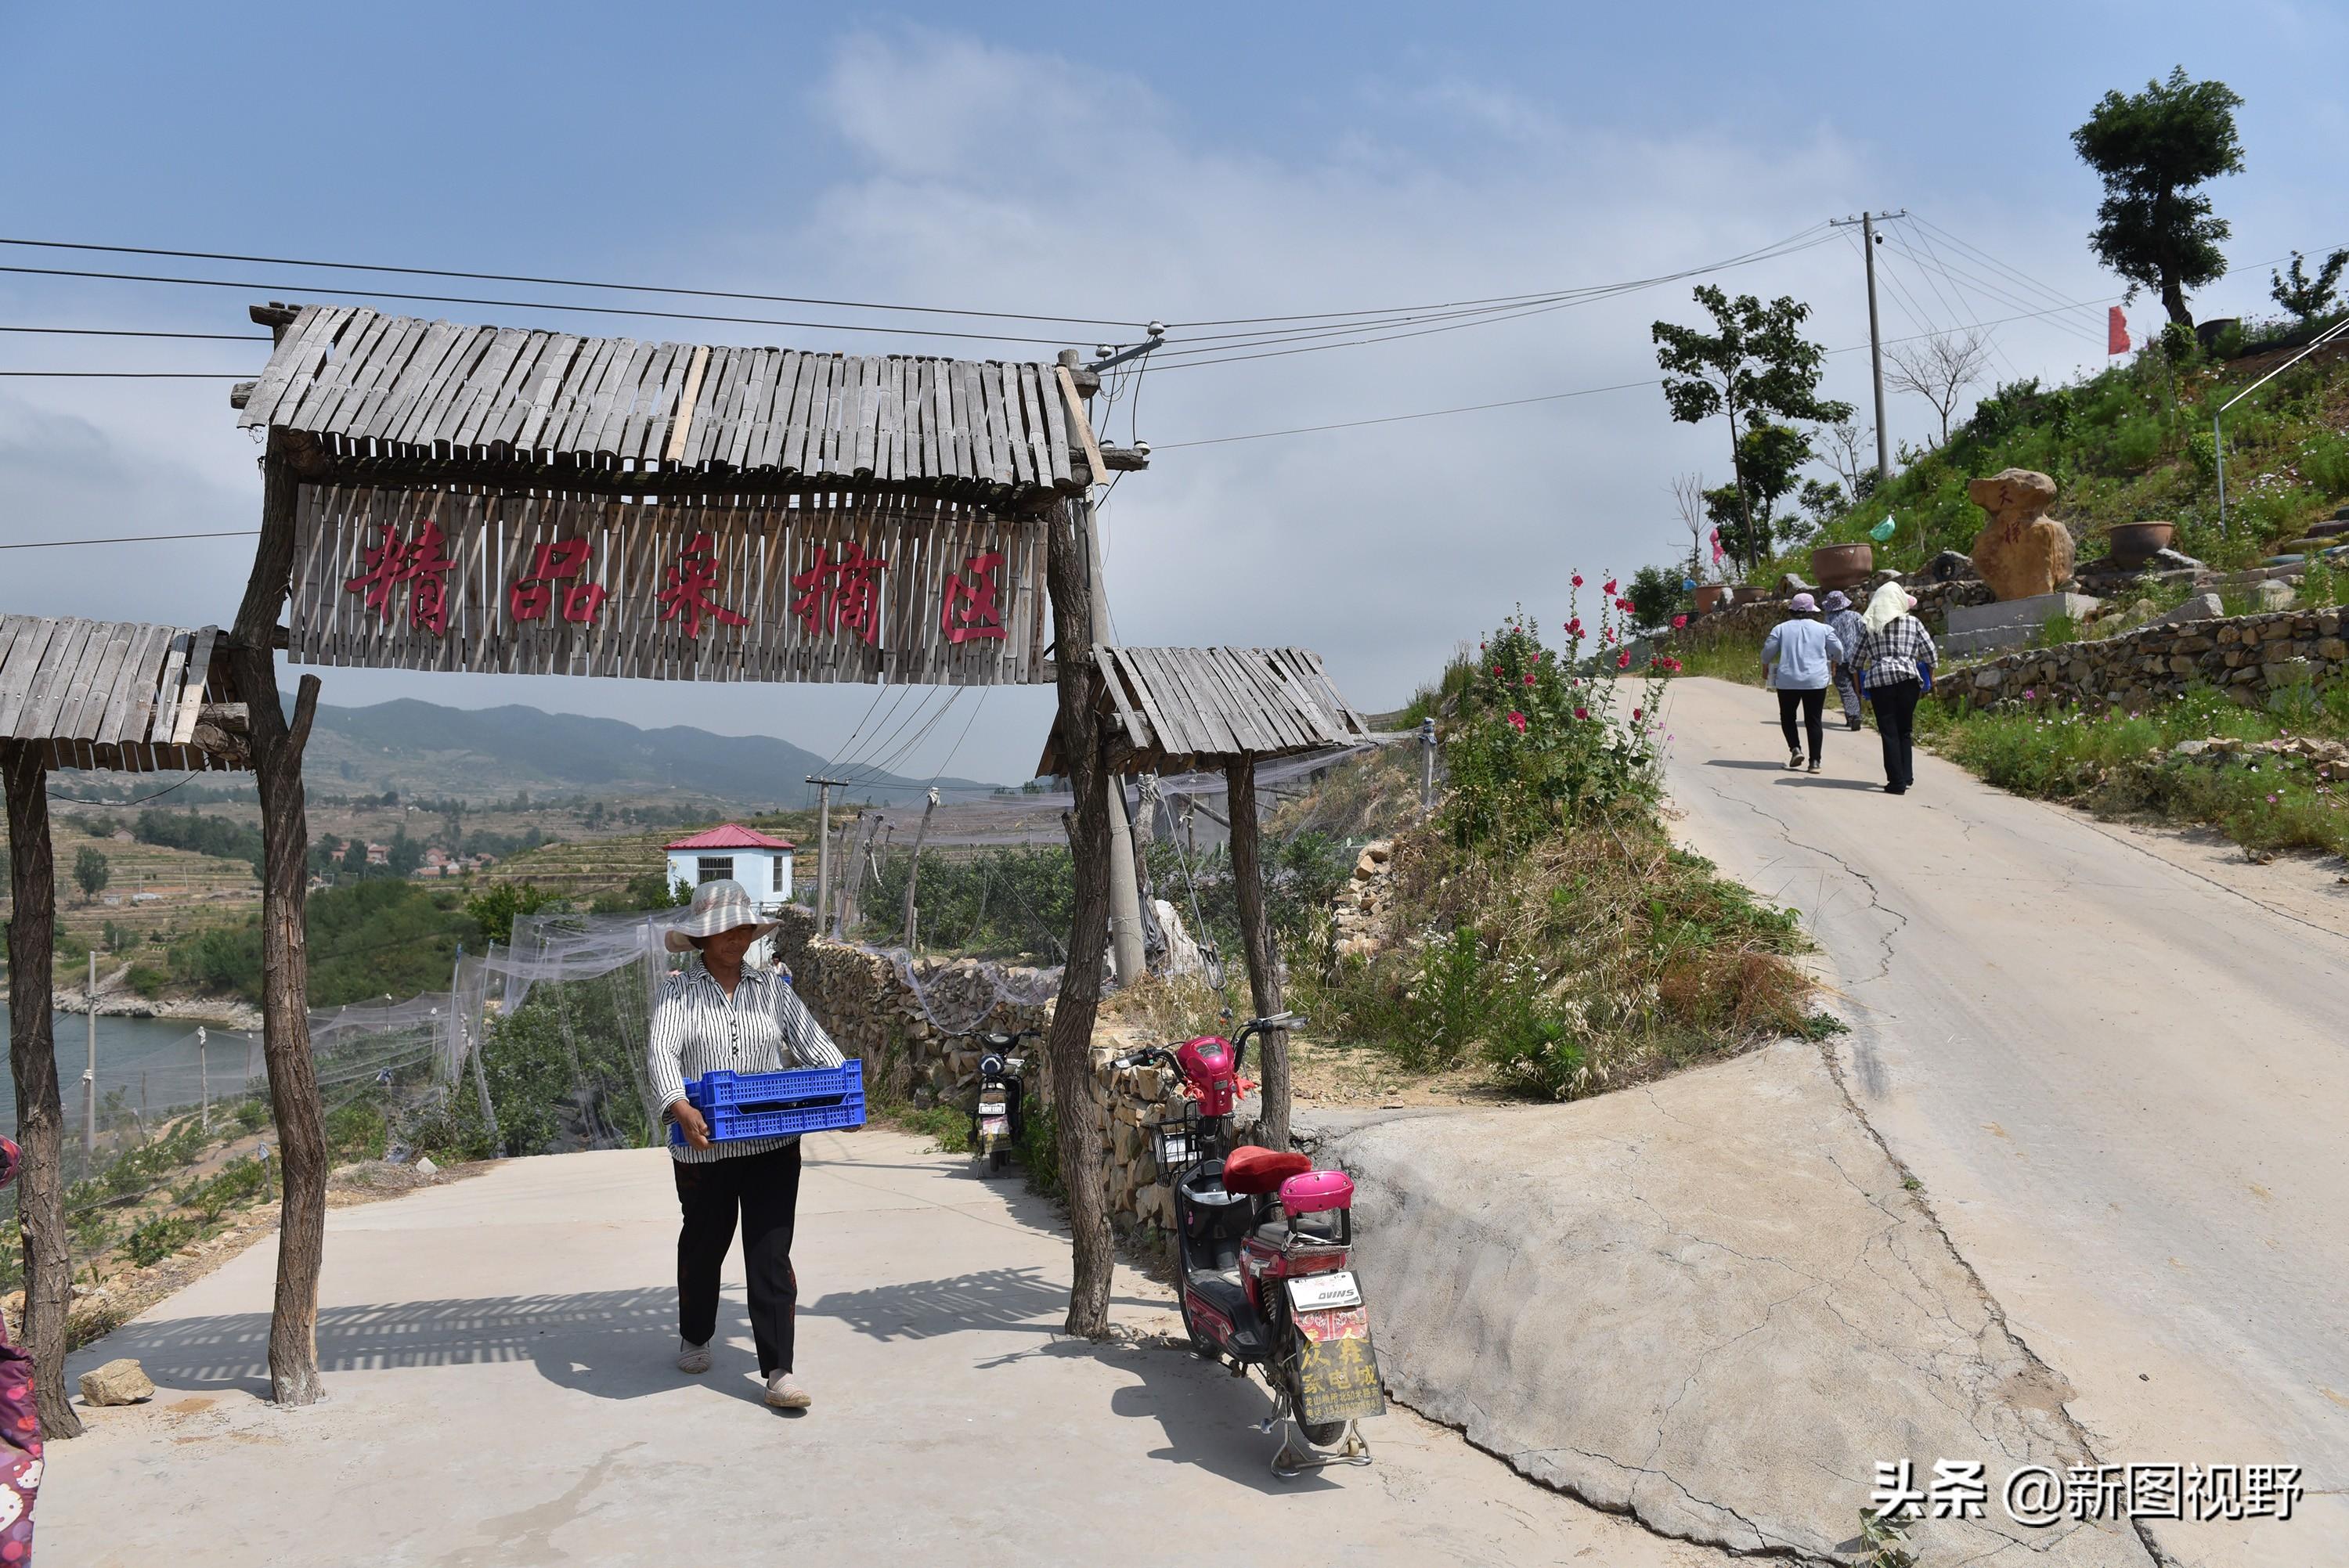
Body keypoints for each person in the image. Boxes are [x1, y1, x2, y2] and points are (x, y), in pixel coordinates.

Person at [648, 878, 845, 1410]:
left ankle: (779, 1370)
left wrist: (841, 1094)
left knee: (770, 1253)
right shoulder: (678, 992)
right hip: (704, 1145)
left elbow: (815, 1045)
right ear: (701, 938)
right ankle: (695, 1334)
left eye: (742, 928)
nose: (735, 938)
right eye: (722, 930)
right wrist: (679, 1105)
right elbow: (662, 1053)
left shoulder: (774, 989)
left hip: (772, 1145)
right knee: (705, 1243)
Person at [1850, 582, 1938, 795]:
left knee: (1889, 732)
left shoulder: (1868, 625)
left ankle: (1896, 782)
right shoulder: (1913, 623)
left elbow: (1855, 661)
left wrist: (1859, 688)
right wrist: (1930, 680)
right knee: (1905, 730)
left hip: (1880, 682)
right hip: (1908, 680)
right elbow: (1931, 655)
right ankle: (1906, 776)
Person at [1759, 592, 1847, 774]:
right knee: (1813, 720)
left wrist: (1765, 664)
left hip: (1787, 681)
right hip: (1815, 681)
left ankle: (1795, 749)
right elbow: (1838, 649)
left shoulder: (1780, 629)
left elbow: (1768, 650)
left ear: (1791, 610)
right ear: (1811, 611)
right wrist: (1835, 661)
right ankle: (1815, 762)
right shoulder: (1824, 629)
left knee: (1788, 717)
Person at [1824, 589, 1868, 731]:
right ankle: (1855, 714)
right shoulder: (1856, 616)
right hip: (1857, 656)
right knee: (1857, 687)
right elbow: (1864, 633)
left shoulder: (1829, 620)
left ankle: (1853, 715)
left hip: (1838, 659)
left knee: (1845, 688)